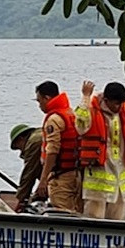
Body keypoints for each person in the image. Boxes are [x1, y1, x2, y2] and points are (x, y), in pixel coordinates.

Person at [75, 80, 125, 220]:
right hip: (100, 170)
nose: (119, 107)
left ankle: (117, 240)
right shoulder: (92, 110)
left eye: (121, 103)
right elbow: (80, 125)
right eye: (115, 103)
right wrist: (85, 97)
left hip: (121, 170)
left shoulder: (124, 113)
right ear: (106, 100)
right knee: (94, 213)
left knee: (119, 213)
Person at [34, 81, 81, 212]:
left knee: (62, 212)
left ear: (47, 98)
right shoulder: (71, 114)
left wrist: (43, 179)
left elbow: (52, 151)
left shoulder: (54, 119)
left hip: (61, 177)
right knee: (78, 212)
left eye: (39, 101)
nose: (40, 106)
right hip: (77, 174)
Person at [9, 123, 43, 212]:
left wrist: (20, 201)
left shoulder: (34, 142)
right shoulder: (41, 134)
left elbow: (29, 174)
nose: (21, 153)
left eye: (19, 148)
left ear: (21, 139)